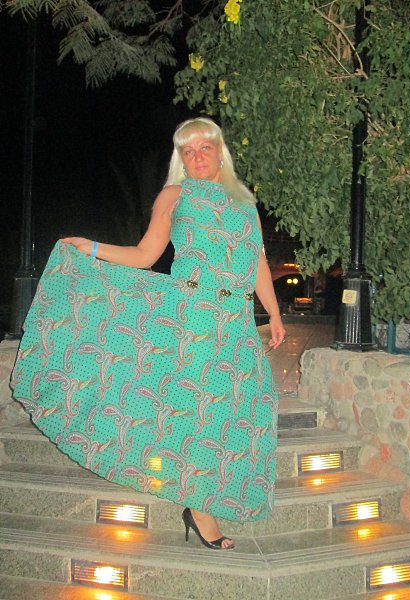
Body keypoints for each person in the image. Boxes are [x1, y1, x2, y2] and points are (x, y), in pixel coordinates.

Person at [11, 117, 285, 551]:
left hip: (235, 321)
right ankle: (200, 509)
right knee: (196, 413)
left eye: (204, 147)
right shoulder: (175, 196)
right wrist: (92, 248)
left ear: (220, 152)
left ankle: (207, 495)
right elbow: (145, 254)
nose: (197, 156)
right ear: (181, 159)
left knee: (237, 411)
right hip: (192, 318)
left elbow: (256, 263)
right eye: (188, 151)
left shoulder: (244, 204)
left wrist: (274, 313)